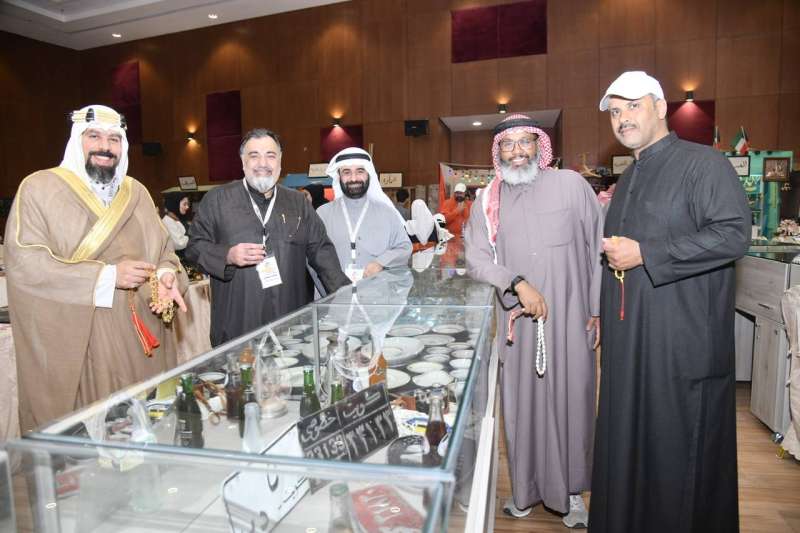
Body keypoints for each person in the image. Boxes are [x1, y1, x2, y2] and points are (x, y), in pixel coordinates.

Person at [590, 71, 750, 533]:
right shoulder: (630, 176)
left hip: (681, 348)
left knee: (678, 459)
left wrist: (648, 253)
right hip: (631, 348)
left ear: (660, 108)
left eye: (632, 106)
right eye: (615, 112)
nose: (622, 119)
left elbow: (733, 234)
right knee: (630, 448)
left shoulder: (704, 164)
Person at [4, 104, 188, 431]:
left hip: (138, 341)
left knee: (143, 430)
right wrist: (107, 276)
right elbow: (25, 264)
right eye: (94, 136)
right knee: (87, 443)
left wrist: (165, 275)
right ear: (77, 140)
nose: (105, 147)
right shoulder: (38, 189)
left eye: (114, 139)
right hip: (79, 340)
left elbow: (164, 253)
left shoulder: (137, 193)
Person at [464, 114, 604, 528]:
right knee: (522, 406)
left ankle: (572, 493)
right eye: (508, 144)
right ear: (498, 152)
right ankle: (524, 491)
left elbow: (598, 247)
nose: (517, 152)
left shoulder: (571, 185)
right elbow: (475, 259)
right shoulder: (487, 201)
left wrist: (597, 308)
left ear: (539, 146)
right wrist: (515, 282)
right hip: (519, 323)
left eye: (525, 142)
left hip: (572, 318)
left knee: (573, 401)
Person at [185, 128, 350, 346]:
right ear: (243, 161)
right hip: (237, 324)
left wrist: (349, 297)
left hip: (291, 323)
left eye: (270, 156)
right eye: (254, 156)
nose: (263, 163)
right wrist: (227, 255)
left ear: (280, 161)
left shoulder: (298, 203)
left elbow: (322, 252)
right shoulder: (217, 200)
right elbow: (194, 248)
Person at [317, 147, 412, 283]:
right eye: (346, 172)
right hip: (335, 293)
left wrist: (381, 262)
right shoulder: (322, 214)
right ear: (339, 177)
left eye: (360, 171)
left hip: (377, 293)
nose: (353, 178)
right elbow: (313, 257)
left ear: (369, 174)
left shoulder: (387, 213)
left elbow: (404, 247)